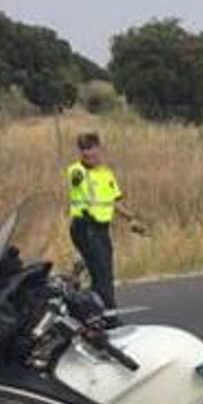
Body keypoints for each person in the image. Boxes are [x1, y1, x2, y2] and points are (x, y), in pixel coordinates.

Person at [66, 132, 141, 314]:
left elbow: (114, 202)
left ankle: (82, 301)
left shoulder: (106, 174)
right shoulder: (77, 171)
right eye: (83, 149)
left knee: (103, 271)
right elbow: (76, 181)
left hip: (101, 230)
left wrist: (132, 219)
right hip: (85, 226)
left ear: (98, 149)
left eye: (90, 148)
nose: (87, 153)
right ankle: (109, 316)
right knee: (102, 276)